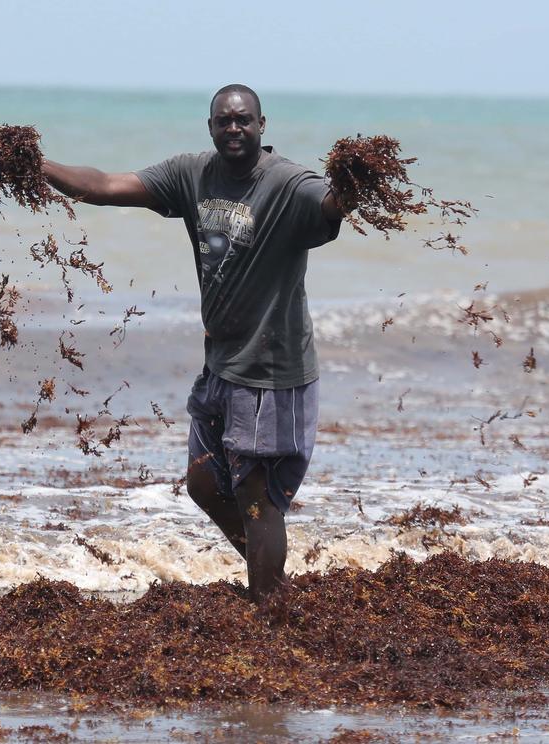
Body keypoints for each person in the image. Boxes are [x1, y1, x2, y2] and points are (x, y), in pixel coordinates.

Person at [42, 84, 344, 603]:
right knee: (204, 484)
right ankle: (272, 584)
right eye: (224, 121)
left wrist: (356, 185)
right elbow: (106, 185)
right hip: (221, 364)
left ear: (262, 125)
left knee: (256, 494)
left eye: (243, 120)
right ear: (210, 127)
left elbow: (332, 205)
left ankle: (270, 611)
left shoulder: (288, 184)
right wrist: (39, 166)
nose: (233, 128)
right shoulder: (192, 175)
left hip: (271, 370)